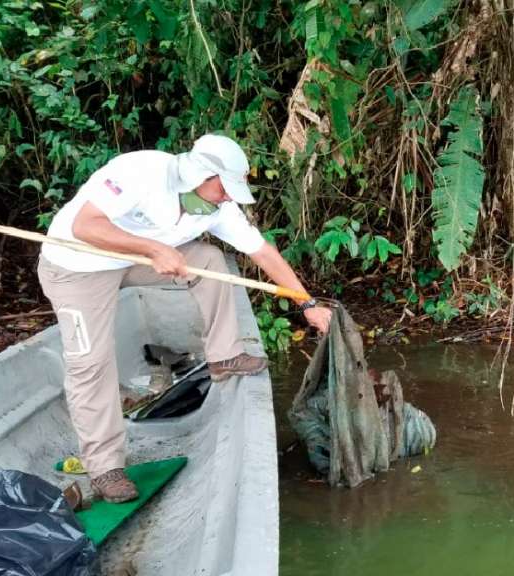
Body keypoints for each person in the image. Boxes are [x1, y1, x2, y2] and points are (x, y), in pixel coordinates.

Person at [36, 134, 331, 503]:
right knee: (91, 363)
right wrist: (153, 248)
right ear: (200, 176)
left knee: (208, 260)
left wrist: (309, 306)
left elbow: (264, 253)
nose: (228, 198)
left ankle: (225, 356)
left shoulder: (218, 208)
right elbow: (86, 226)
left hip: (133, 260)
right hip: (78, 266)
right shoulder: (141, 172)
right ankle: (104, 467)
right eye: (224, 188)